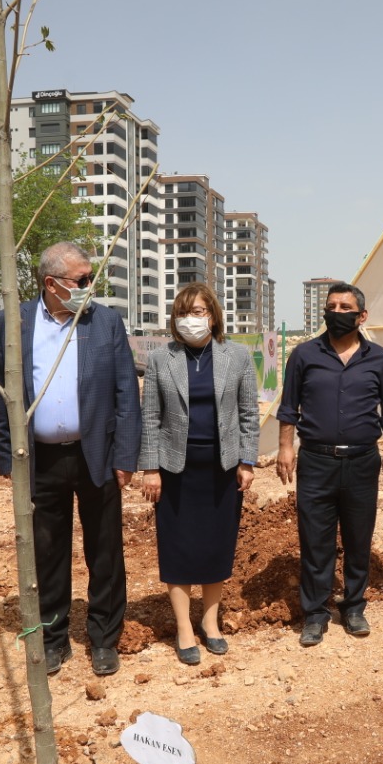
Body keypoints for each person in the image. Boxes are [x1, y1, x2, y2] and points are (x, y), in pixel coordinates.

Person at [0, 241, 140, 678]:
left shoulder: (105, 322)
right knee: (47, 553)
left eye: (91, 279)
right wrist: (6, 459)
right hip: (39, 462)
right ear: (51, 284)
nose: (89, 288)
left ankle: (104, 638)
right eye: (82, 280)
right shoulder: (11, 324)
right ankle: (53, 638)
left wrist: (125, 455)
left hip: (98, 456)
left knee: (105, 551)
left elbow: (126, 393)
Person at [277, 282, 383, 646]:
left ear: (361, 316)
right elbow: (289, 407)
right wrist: (286, 447)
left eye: (345, 306)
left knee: (358, 537)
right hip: (316, 461)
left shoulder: (378, 358)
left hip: (362, 461)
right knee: (315, 540)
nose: (336, 311)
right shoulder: (303, 355)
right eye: (331, 306)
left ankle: (353, 607)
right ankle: (315, 613)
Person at [138, 283, 260, 664]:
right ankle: (184, 627)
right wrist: (150, 467)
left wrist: (247, 460)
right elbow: (151, 416)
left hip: (221, 468)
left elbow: (248, 413)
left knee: (214, 546)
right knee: (178, 548)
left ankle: (210, 623)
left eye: (199, 311)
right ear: (175, 318)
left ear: (213, 315)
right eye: (185, 312)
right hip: (176, 468)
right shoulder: (161, 359)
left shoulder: (237, 356)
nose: (192, 319)